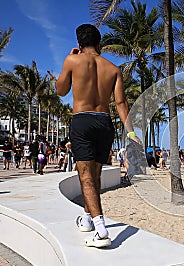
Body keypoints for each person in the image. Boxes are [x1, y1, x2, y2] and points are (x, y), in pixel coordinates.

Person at [55, 24, 141, 248]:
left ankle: (101, 231)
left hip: (82, 120)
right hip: (105, 122)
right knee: (95, 174)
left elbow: (61, 90)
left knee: (85, 176)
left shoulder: (72, 61)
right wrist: (130, 131)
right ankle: (86, 219)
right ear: (100, 44)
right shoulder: (113, 69)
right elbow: (121, 103)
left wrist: (70, 58)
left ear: (79, 44)